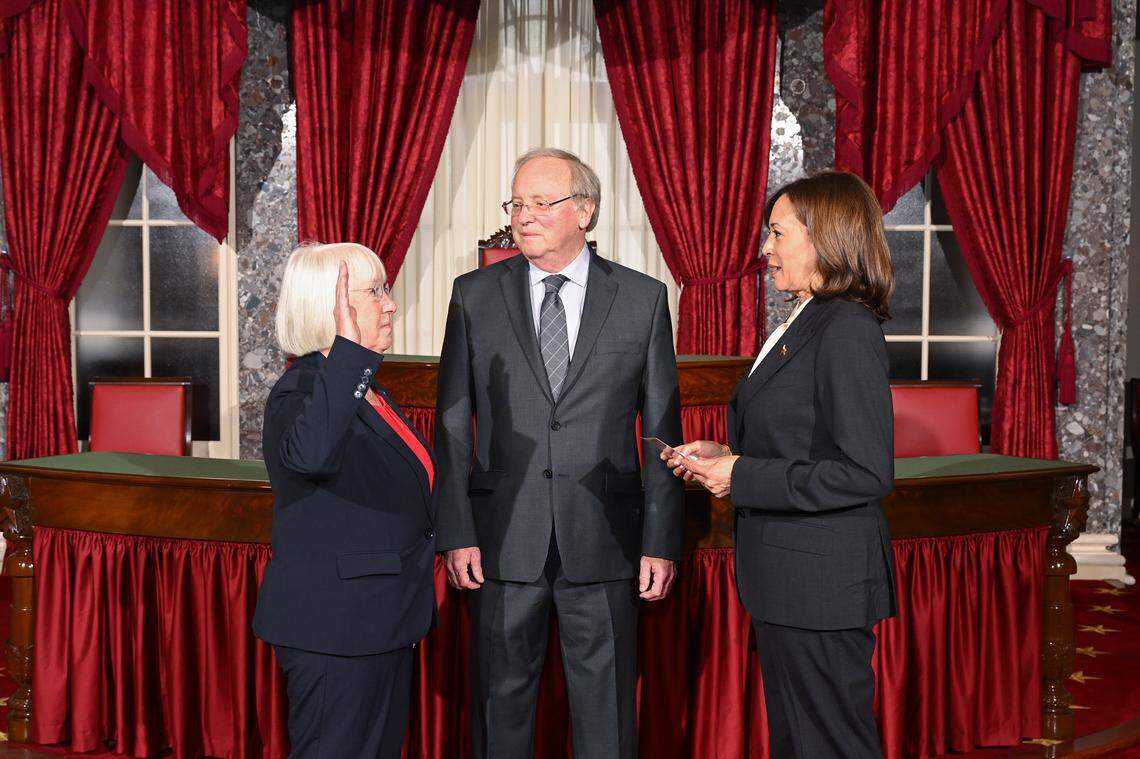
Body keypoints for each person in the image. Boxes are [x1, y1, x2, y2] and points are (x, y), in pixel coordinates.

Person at [434, 148, 684, 759]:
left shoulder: (643, 299)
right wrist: (456, 531)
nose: (524, 216)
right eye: (517, 203)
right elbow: (450, 424)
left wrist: (660, 541)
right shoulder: (473, 296)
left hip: (604, 540)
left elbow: (660, 431)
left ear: (586, 210)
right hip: (499, 543)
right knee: (500, 717)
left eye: (541, 203)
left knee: (607, 721)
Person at [665, 171, 897, 758]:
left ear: (825, 237)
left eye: (776, 233)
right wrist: (724, 455)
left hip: (820, 586)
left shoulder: (845, 328)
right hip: (792, 582)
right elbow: (801, 442)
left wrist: (740, 476)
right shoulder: (807, 318)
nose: (764, 249)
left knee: (831, 745)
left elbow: (865, 472)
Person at [253, 242, 437, 759]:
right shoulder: (301, 390)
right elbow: (309, 456)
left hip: (380, 621)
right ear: (328, 306)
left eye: (386, 288)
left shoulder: (366, 389)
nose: (391, 303)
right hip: (335, 630)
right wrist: (349, 351)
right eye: (374, 290)